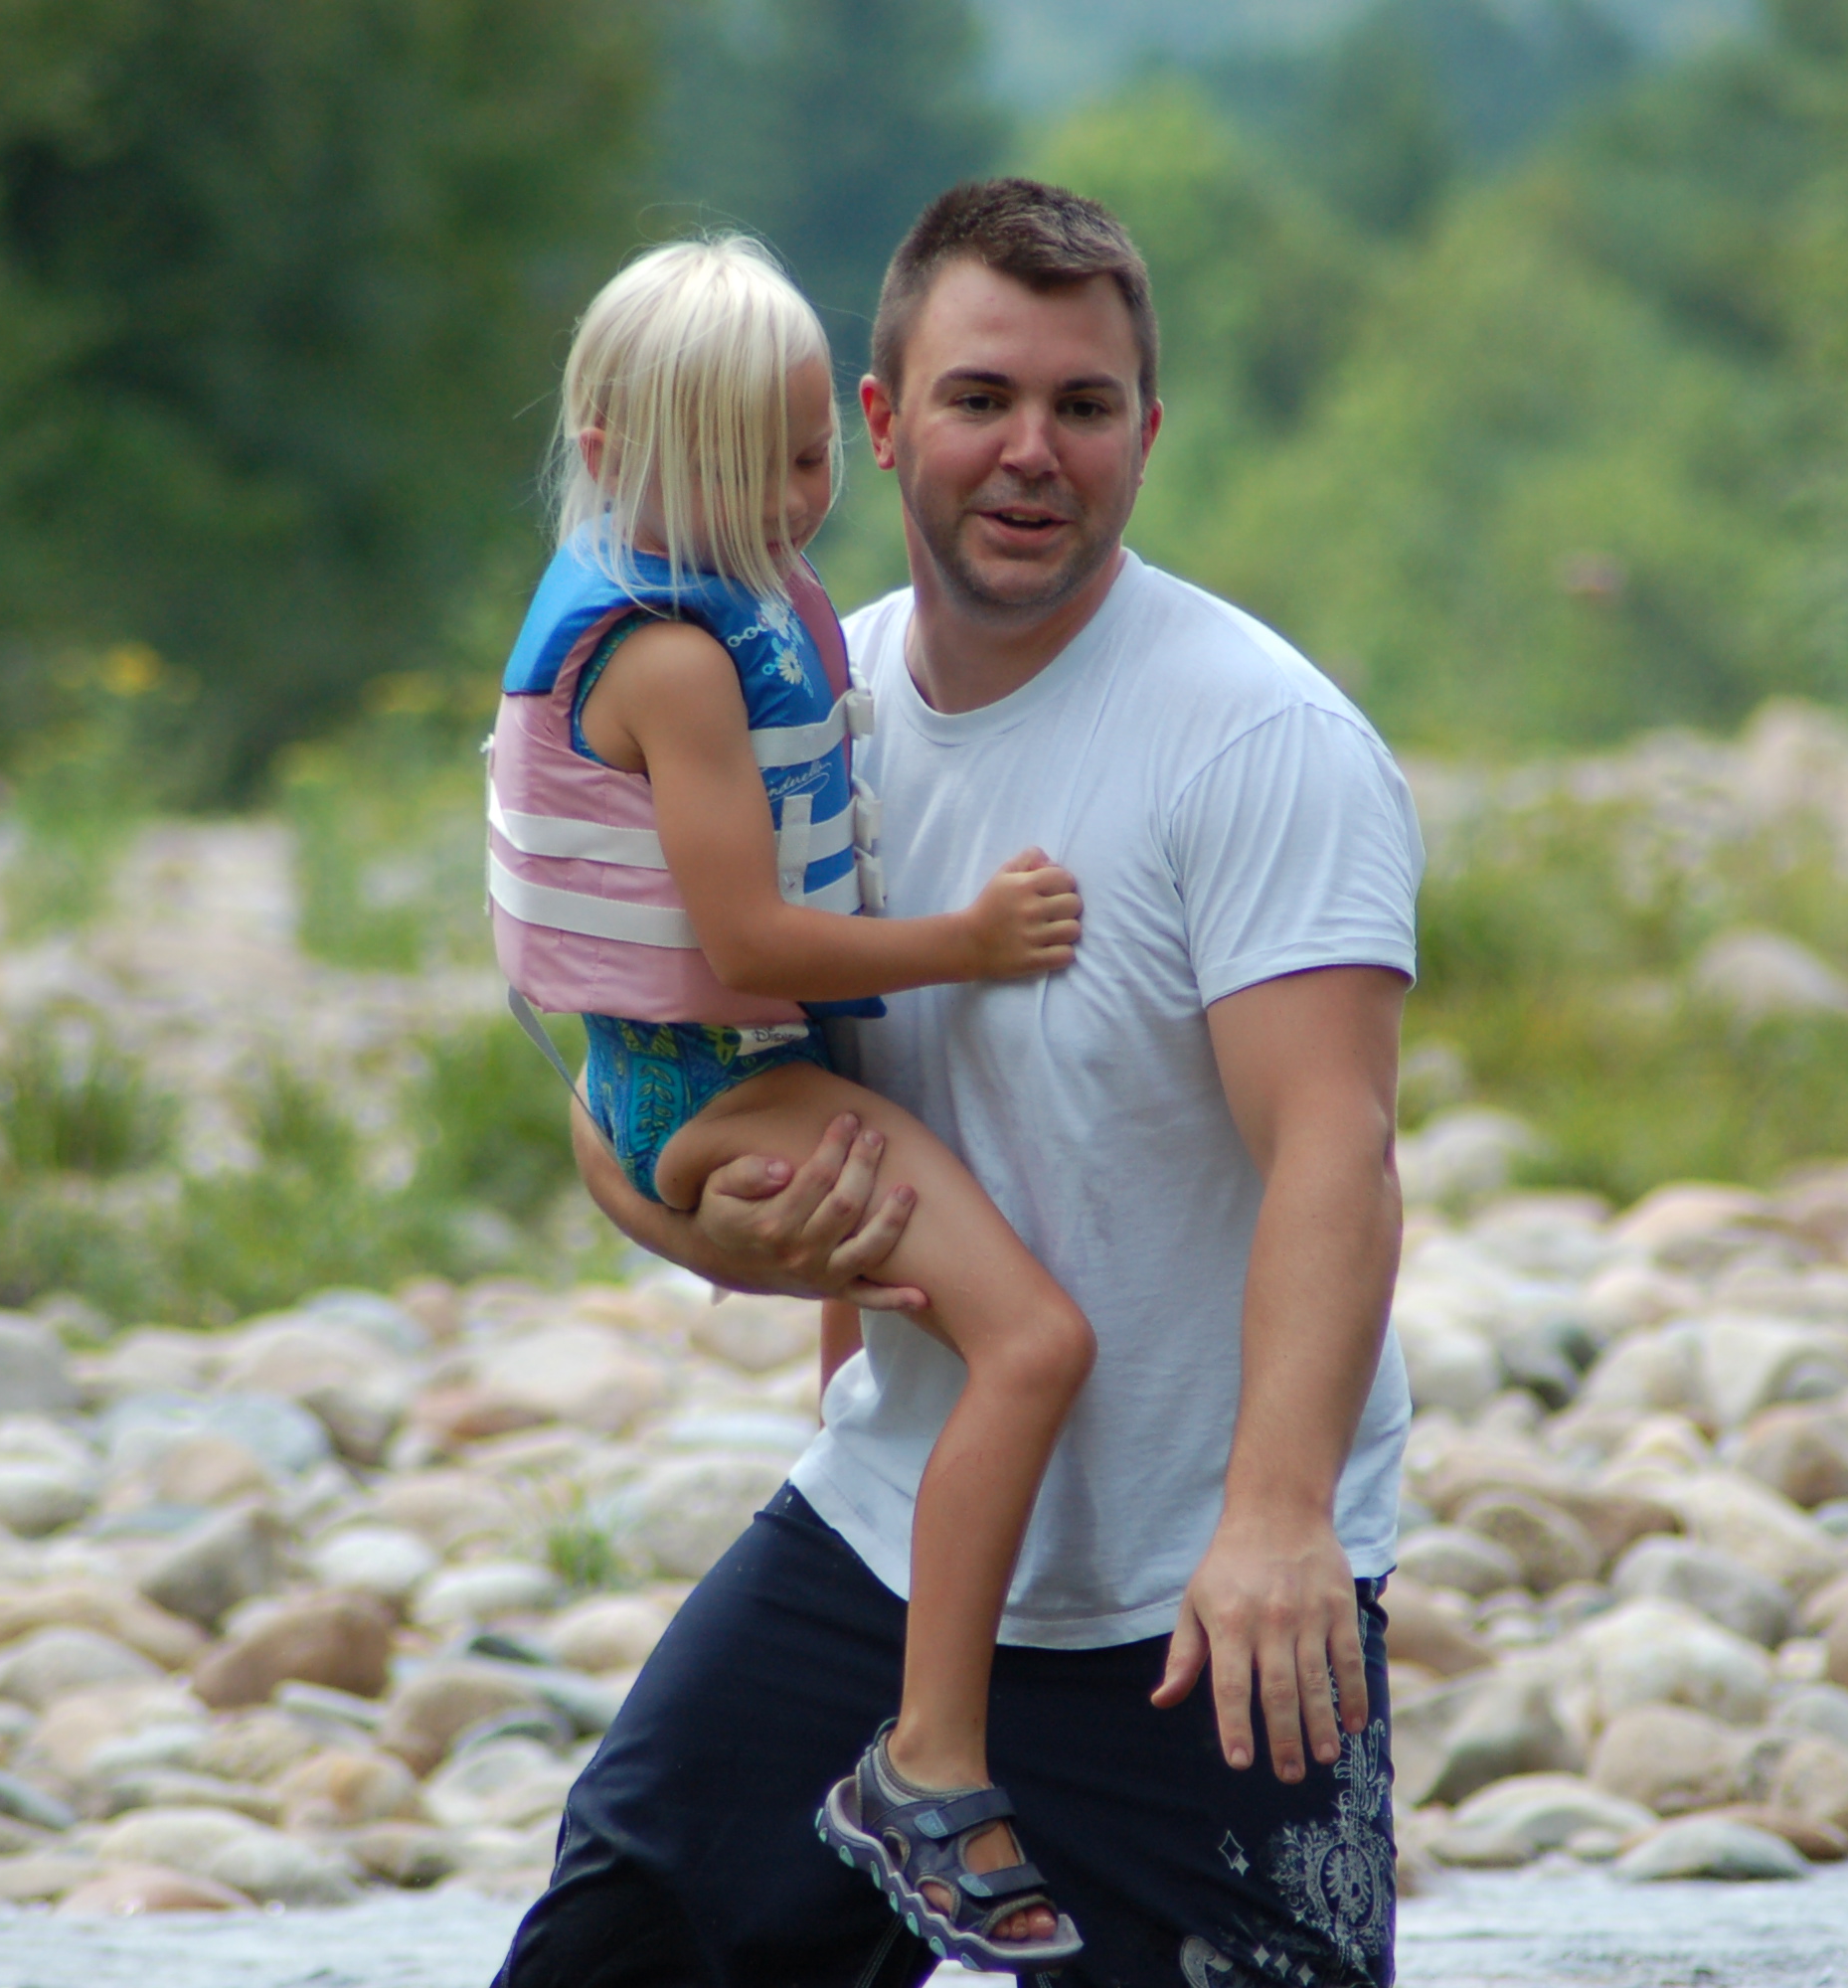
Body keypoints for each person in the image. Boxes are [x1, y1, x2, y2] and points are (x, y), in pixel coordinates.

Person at [495, 179, 1422, 1988]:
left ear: (1147, 430)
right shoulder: (794, 711)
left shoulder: (1263, 740)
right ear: (878, 421)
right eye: (981, 398)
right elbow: (642, 1072)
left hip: (1201, 1595)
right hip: (888, 1553)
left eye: (1084, 407)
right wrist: (708, 1228)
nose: (1030, 453)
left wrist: (1280, 1518)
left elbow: (1338, 1145)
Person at [487, 233, 1107, 1966]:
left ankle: (887, 1636)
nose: (785, 506)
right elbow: (751, 940)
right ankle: (929, 1764)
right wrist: (973, 943)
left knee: (879, 1340)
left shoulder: (737, 600)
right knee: (1033, 1343)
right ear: (610, 454)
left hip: (729, 1069)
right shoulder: (674, 658)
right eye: (736, 470)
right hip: (719, 1079)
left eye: (808, 457)